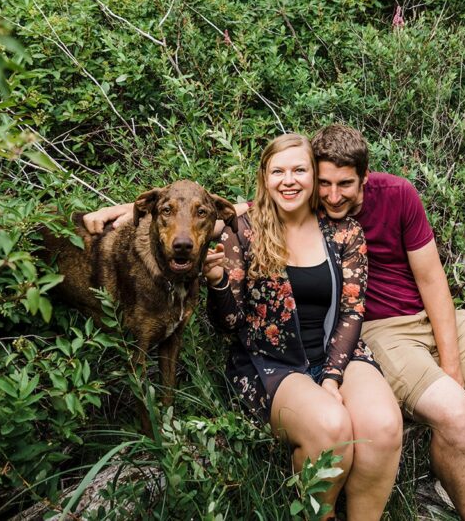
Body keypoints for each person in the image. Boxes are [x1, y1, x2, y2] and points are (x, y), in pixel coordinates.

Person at [91, 134, 401, 520]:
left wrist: (332, 378)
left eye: (299, 170)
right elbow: (229, 322)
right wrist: (219, 281)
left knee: (384, 427)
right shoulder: (244, 228)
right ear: (265, 178)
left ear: (314, 176)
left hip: (337, 354)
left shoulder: (343, 231)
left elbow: (353, 310)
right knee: (332, 428)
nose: (289, 180)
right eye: (278, 171)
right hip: (271, 362)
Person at [310, 124, 465, 521]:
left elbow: (431, 279)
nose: (332, 195)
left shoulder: (397, 194)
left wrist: (452, 364)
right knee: (456, 410)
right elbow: (260, 207)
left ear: (365, 177)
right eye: (324, 183)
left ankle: (461, 474)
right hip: (378, 330)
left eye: (344, 184)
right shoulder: (307, 200)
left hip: (430, 315)